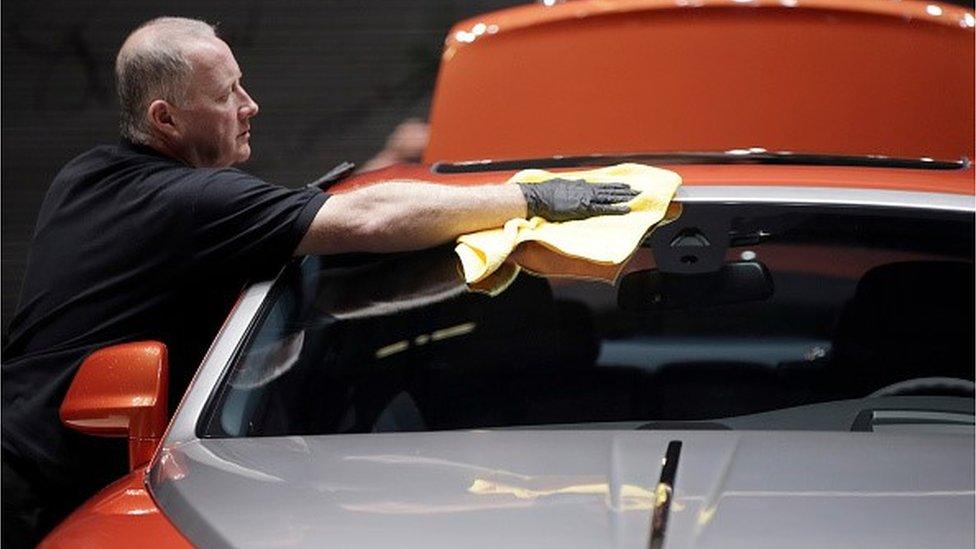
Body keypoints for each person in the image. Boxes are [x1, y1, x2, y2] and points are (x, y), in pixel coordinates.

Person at [0, 16, 636, 547]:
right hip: (33, 488)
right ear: (165, 120)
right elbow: (366, 217)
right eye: (225, 96)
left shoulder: (88, 178)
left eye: (241, 85)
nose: (250, 107)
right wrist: (533, 196)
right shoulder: (187, 202)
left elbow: (330, 269)